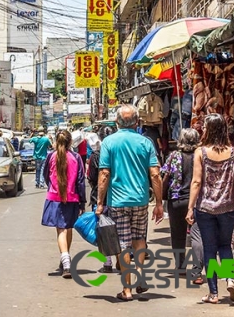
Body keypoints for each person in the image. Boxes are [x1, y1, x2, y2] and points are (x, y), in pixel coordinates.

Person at [95, 104, 164, 301]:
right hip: (141, 200)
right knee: (140, 238)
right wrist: (159, 203)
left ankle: (127, 289)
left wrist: (100, 202)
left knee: (123, 243)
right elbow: (155, 175)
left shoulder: (109, 142)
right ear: (136, 122)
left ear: (117, 122)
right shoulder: (146, 142)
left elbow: (104, 173)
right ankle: (140, 276)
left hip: (117, 201)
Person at [186, 113, 234, 304]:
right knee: (225, 245)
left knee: (210, 248)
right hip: (228, 207)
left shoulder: (200, 153)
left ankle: (213, 293)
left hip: (205, 208)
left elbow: (196, 182)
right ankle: (230, 279)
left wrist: (189, 209)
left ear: (208, 130)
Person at [160, 128, 204, 282]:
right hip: (198, 201)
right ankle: (197, 271)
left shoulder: (174, 156)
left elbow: (165, 177)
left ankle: (180, 267)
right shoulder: (201, 156)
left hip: (177, 201)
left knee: (177, 235)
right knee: (197, 235)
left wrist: (161, 197)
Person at [41, 130, 86, 279]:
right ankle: (66, 259)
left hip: (55, 198)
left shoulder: (51, 156)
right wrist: (82, 201)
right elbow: (80, 181)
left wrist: (52, 187)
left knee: (61, 229)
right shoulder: (76, 157)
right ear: (70, 142)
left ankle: (65, 260)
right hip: (72, 198)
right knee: (68, 227)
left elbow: (46, 175)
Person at [86, 132, 114, 273]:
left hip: (100, 196)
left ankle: (107, 262)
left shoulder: (95, 156)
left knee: (103, 230)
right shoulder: (116, 152)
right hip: (117, 196)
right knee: (120, 230)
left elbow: (91, 177)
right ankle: (122, 261)